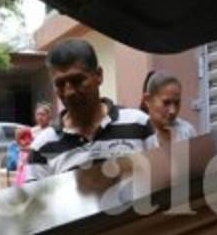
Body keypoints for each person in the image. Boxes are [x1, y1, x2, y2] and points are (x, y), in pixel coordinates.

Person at [26, 39, 152, 181]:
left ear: (99, 75)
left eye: (77, 81)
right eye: (60, 84)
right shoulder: (42, 147)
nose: (69, 92)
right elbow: (37, 196)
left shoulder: (140, 125)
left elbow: (162, 181)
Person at [141, 71, 197, 148]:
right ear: (148, 100)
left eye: (177, 103)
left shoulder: (186, 131)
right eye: (166, 103)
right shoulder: (137, 135)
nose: (172, 111)